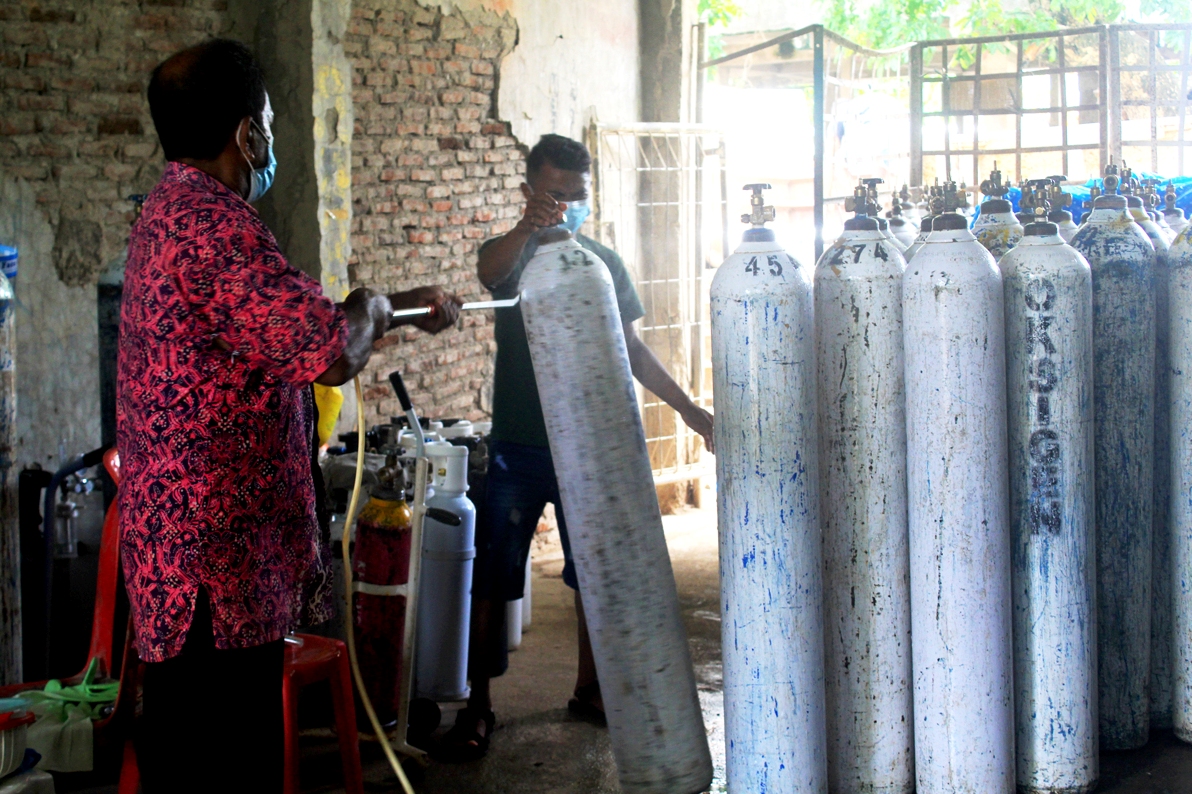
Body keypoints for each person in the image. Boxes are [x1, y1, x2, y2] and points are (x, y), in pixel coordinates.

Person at [118, 39, 460, 793]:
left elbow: (284, 321)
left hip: (184, 566)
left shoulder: (167, 214)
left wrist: (398, 308)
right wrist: (373, 305)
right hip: (217, 575)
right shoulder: (216, 229)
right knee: (224, 765)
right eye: (267, 123)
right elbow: (332, 346)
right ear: (248, 135)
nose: (269, 142)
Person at [442, 134, 715, 760]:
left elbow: (632, 349)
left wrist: (690, 410)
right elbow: (487, 272)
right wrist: (525, 227)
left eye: (578, 196)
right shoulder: (514, 257)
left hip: (587, 452)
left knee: (596, 573)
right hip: (518, 446)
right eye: (554, 195)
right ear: (530, 192)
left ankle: (592, 689)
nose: (567, 206)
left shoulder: (600, 264)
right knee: (492, 578)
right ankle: (477, 709)